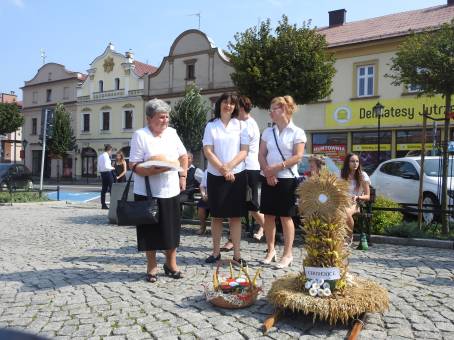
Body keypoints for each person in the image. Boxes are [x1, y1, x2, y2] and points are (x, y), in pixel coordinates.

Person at [129, 98, 188, 283]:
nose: (165, 121)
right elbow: (134, 165)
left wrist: (183, 176)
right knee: (150, 231)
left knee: (171, 230)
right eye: (161, 117)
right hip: (148, 191)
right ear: (149, 118)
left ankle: (171, 264)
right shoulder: (141, 135)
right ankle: (151, 265)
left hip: (170, 189)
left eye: (167, 117)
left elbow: (183, 156)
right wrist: (154, 169)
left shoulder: (172, 133)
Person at [259, 95, 306, 269]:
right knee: (269, 216)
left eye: (274, 109)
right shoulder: (267, 132)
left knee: (286, 216)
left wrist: (277, 168)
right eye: (270, 109)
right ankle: (270, 250)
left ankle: (288, 254)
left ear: (284, 110)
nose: (271, 112)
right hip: (268, 177)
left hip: (287, 178)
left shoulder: (297, 132)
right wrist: (267, 171)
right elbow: (261, 154)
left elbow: (298, 156)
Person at [202, 93, 249, 266]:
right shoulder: (211, 126)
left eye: (231, 103)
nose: (228, 106)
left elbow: (244, 151)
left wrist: (229, 167)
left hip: (237, 175)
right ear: (219, 104)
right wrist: (222, 169)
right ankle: (215, 253)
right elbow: (208, 150)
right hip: (216, 175)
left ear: (235, 107)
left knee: (235, 217)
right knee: (216, 217)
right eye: (225, 102)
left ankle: (237, 254)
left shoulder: (241, 126)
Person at [238, 95, 266, 241]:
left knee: (252, 206)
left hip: (249, 168)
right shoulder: (245, 123)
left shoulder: (248, 125)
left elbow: (240, 148)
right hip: (246, 168)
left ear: (241, 108)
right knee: (245, 205)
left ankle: (269, 230)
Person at [341, 153, 370, 242]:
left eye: (357, 161)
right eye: (352, 161)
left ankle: (349, 237)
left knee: (346, 213)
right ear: (347, 163)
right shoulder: (342, 175)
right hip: (343, 202)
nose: (355, 163)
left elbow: (367, 196)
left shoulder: (363, 175)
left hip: (356, 203)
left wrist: (358, 197)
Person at [97, 144, 115, 209]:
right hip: (108, 173)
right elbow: (107, 166)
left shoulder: (100, 156)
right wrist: (113, 168)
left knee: (104, 189)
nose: (111, 152)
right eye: (111, 151)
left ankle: (103, 204)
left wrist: (101, 172)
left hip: (102, 174)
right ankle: (113, 204)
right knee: (112, 189)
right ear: (109, 150)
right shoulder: (106, 156)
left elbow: (98, 167)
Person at [197, 169, 210, 235]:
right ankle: (203, 226)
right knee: (201, 207)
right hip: (207, 195)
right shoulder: (207, 171)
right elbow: (202, 186)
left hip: (219, 196)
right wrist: (203, 195)